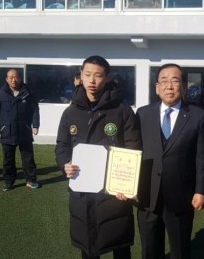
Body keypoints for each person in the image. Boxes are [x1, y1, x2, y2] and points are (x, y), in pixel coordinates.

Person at [55, 55, 141, 259]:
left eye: (98, 75)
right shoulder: (70, 112)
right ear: (81, 76)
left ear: (108, 78)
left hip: (114, 192)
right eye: (88, 75)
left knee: (119, 244)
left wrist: (126, 183)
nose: (92, 81)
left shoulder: (122, 111)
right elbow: (62, 146)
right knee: (88, 246)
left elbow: (133, 147)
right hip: (82, 191)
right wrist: (64, 164)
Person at [136, 63, 204, 259]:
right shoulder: (143, 114)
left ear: (184, 86)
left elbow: (201, 156)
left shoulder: (198, 116)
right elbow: (134, 151)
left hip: (181, 195)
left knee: (180, 250)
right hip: (147, 194)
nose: (169, 86)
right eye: (164, 81)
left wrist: (201, 190)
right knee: (150, 250)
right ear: (157, 87)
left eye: (175, 81)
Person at [0, 69, 40, 191]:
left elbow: (35, 110)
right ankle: (8, 182)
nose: (13, 79)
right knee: (8, 160)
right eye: (10, 77)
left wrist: (35, 125)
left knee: (28, 158)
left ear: (20, 78)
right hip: (7, 131)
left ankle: (31, 180)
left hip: (24, 130)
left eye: (16, 77)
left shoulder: (28, 92)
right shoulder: (0, 92)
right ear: (6, 79)